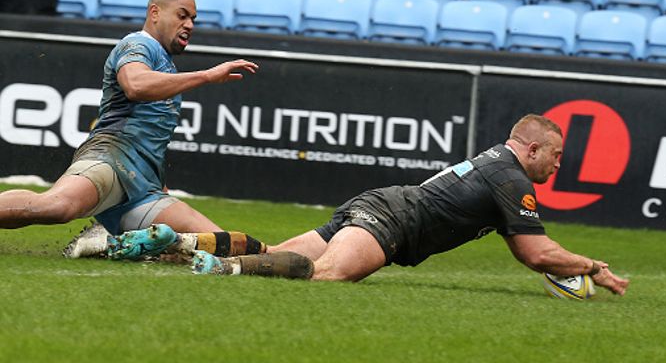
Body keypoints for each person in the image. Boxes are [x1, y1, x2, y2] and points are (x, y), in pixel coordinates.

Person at [191, 114, 630, 296]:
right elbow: (537, 253)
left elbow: (530, 251)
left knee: (273, 256)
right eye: (555, 157)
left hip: (384, 205)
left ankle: (181, 246)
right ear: (532, 149)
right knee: (328, 276)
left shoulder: (497, 165)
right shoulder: (511, 178)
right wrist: (591, 265)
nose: (558, 166)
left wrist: (573, 265)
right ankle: (216, 269)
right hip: (391, 222)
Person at [0, 0, 262, 244]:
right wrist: (206, 76)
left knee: (220, 242)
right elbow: (135, 85)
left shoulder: (165, 64)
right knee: (58, 207)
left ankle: (102, 240)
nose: (190, 25)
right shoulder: (138, 44)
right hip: (111, 160)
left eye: (193, 19)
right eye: (182, 16)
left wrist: (159, 181)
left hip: (145, 186)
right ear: (155, 13)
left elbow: (149, 134)